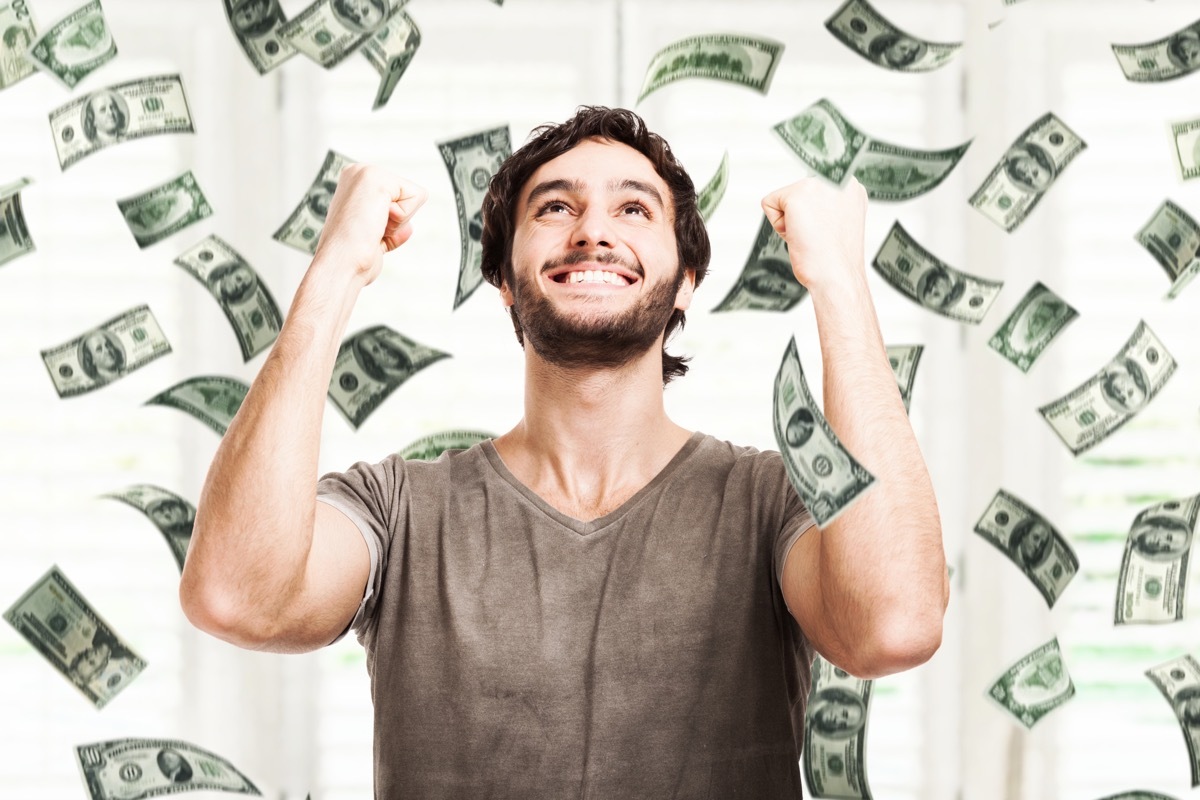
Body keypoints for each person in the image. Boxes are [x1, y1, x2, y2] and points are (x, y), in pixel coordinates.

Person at [180, 106, 948, 797]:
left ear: (686, 282)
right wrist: (333, 273)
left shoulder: (772, 504)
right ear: (506, 284)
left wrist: (841, 282)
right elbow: (236, 597)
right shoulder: (397, 511)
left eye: (633, 209)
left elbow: (895, 626)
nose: (592, 230)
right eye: (555, 207)